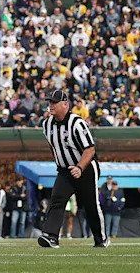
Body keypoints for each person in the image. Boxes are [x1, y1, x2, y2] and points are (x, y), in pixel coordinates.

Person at [36, 89, 107, 248]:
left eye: (55, 102)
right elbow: (52, 146)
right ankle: (51, 236)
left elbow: (90, 149)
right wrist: (60, 163)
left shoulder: (77, 123)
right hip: (65, 170)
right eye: (50, 102)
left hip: (86, 168)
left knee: (91, 205)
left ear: (65, 104)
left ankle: (101, 239)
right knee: (57, 200)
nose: (51, 105)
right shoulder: (47, 124)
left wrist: (80, 167)